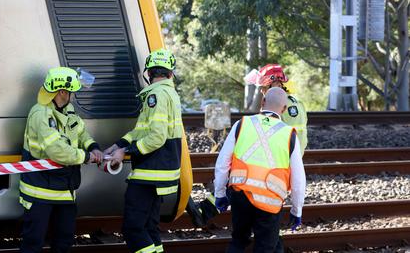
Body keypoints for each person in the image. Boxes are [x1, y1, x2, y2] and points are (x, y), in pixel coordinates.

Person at [188, 63, 309, 228]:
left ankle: (205, 211)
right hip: (280, 161)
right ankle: (207, 210)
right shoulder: (292, 103)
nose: (261, 91)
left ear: (274, 83)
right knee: (249, 191)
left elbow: (286, 138)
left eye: (263, 86)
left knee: (238, 181)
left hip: (278, 164)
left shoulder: (284, 105)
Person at [104, 48, 184, 253]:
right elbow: (142, 130)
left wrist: (126, 152)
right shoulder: (170, 93)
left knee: (133, 228)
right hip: (161, 171)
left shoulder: (155, 95)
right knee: (149, 227)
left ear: (148, 73)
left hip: (150, 173)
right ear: (170, 73)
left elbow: (156, 137)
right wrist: (119, 145)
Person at [19, 67, 104, 253]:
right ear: (63, 92)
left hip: (65, 189)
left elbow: (80, 132)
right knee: (33, 244)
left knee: (64, 242)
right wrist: (86, 157)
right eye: (73, 91)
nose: (74, 95)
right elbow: (56, 150)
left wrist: (92, 146)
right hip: (39, 192)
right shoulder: (40, 114)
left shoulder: (68, 110)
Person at [213, 87, 306, 253]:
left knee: (238, 242)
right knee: (265, 247)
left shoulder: (242, 124)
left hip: (240, 194)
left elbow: (222, 163)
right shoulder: (289, 134)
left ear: (263, 102)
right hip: (269, 201)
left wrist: (219, 193)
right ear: (284, 109)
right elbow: (298, 179)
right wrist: (296, 210)